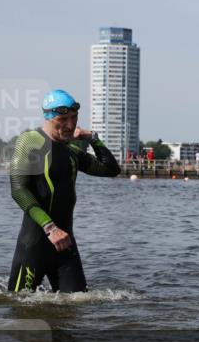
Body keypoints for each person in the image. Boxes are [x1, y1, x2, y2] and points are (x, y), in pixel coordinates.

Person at [8, 89, 120, 293]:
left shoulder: (72, 151)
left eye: (74, 118)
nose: (70, 125)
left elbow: (111, 169)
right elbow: (18, 189)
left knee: (77, 307)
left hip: (65, 244)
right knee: (19, 309)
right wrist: (50, 228)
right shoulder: (31, 141)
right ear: (48, 117)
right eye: (63, 119)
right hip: (35, 243)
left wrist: (93, 138)